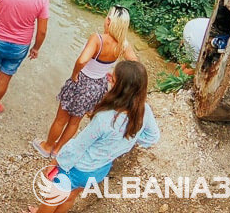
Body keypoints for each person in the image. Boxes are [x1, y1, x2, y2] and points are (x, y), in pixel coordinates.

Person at [27, 61, 160, 213]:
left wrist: (56, 161)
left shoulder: (105, 118)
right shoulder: (144, 110)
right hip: (99, 170)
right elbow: (153, 137)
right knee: (70, 197)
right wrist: (127, 139)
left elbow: (78, 146)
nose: (109, 79)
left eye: (113, 79)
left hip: (77, 168)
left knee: (53, 197)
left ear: (120, 89)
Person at [32, 6, 138, 158]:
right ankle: (57, 150)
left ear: (109, 21)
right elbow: (134, 64)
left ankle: (47, 147)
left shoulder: (97, 39)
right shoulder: (123, 44)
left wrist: (75, 74)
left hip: (81, 83)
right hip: (99, 86)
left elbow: (82, 60)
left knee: (61, 119)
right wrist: (116, 75)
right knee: (75, 122)